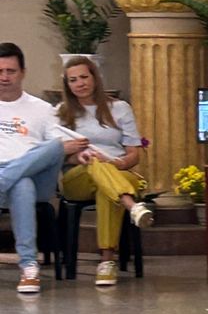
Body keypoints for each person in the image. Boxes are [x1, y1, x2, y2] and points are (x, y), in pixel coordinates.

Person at [56, 57, 154, 287]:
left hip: (117, 170)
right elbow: (56, 153)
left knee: (106, 189)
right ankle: (132, 206)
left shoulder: (120, 108)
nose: (80, 83)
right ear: (67, 85)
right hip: (77, 175)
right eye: (73, 80)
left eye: (84, 77)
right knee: (94, 164)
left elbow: (134, 154)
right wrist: (77, 155)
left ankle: (106, 261)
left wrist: (114, 164)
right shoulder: (60, 112)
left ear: (95, 78)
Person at [0, 42, 81, 296]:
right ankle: (29, 267)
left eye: (10, 71)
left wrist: (76, 148)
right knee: (21, 184)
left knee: (55, 145)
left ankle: (6, 178)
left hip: (40, 180)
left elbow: (61, 147)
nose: (4, 77)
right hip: (18, 182)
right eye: (0, 71)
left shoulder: (43, 109)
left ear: (22, 72)